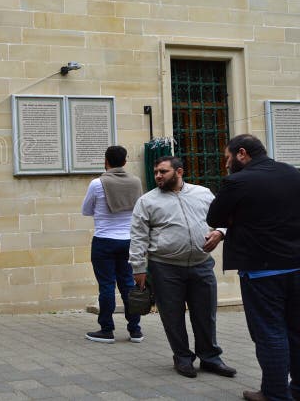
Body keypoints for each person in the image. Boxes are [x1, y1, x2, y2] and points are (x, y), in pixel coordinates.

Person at [207, 134, 300, 401]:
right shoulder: (292, 173)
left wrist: (238, 216)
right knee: (296, 330)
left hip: (262, 271)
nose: (225, 165)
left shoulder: (238, 181)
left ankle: (274, 394)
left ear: (242, 154)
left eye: (227, 158)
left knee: (270, 333)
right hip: (296, 266)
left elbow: (214, 217)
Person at [129, 156, 236, 379]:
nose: (158, 175)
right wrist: (138, 268)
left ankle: (210, 358)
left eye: (163, 171)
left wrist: (220, 233)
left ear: (179, 172)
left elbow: (226, 218)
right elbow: (138, 236)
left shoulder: (203, 193)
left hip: (202, 265)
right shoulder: (147, 201)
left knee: (206, 315)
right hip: (164, 268)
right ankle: (183, 358)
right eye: (156, 171)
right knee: (172, 316)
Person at [82, 146, 143, 343]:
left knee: (106, 286)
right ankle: (135, 330)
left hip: (104, 240)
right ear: (125, 162)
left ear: (106, 161)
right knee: (128, 284)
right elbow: (139, 209)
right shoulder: (136, 182)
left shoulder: (97, 183)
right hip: (128, 241)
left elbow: (86, 210)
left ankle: (107, 330)